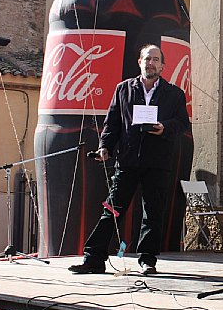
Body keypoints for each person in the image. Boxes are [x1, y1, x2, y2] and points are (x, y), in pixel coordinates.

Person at [69, 44, 190, 275]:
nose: (150, 63)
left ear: (162, 66)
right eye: (147, 58)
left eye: (155, 59)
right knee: (112, 209)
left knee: (153, 213)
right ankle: (94, 258)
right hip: (127, 160)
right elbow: (112, 122)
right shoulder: (123, 89)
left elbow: (182, 123)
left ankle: (147, 260)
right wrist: (105, 146)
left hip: (158, 162)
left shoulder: (174, 94)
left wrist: (164, 127)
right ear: (139, 62)